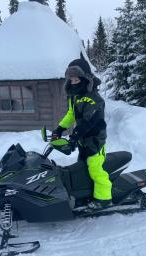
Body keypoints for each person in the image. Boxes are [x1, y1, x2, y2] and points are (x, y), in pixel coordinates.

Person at [52, 57, 112, 208]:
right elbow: (71, 115)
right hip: (82, 139)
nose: (73, 83)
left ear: (86, 79)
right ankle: (86, 193)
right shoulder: (75, 97)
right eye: (70, 80)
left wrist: (74, 136)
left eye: (76, 80)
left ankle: (103, 199)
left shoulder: (94, 98)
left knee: (95, 169)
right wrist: (60, 128)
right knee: (82, 167)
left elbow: (88, 121)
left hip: (95, 139)